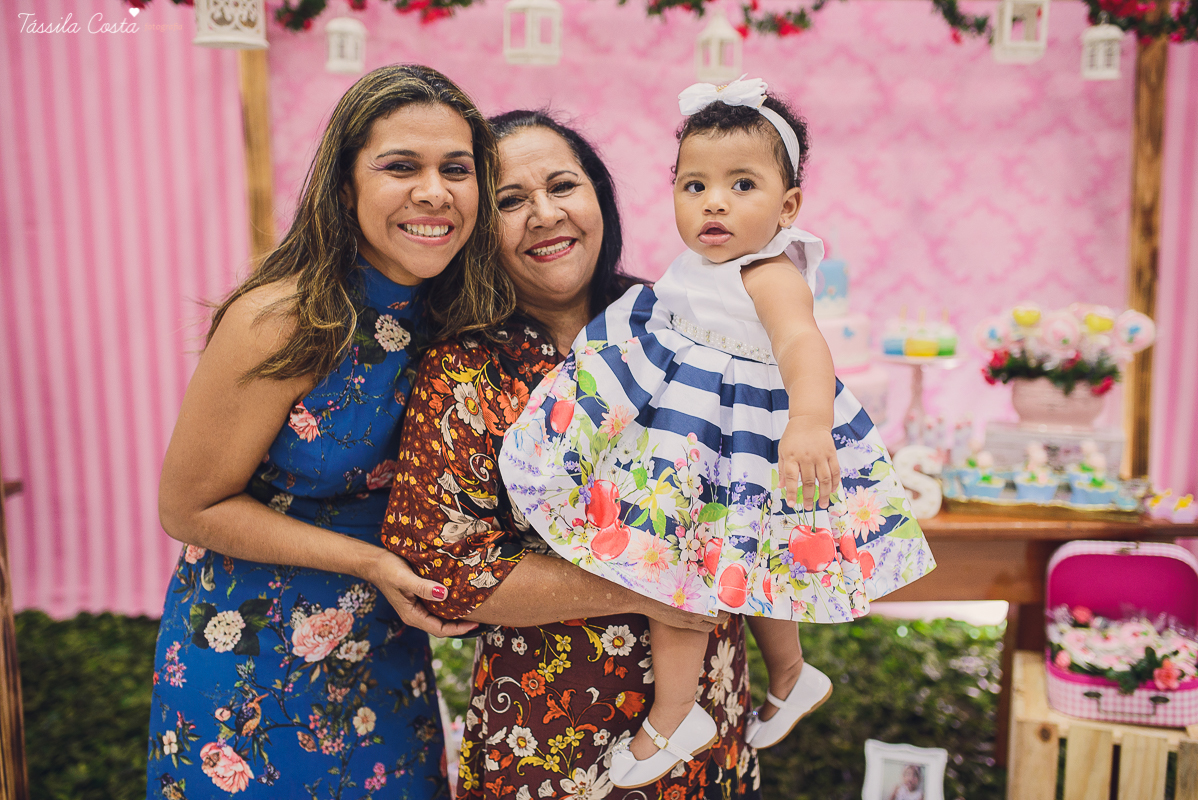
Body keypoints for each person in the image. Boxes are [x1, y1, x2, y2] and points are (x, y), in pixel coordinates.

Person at [498, 77, 937, 787]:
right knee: (748, 572)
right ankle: (790, 676)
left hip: (737, 445)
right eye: (694, 185)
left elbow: (802, 344)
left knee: (683, 577)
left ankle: (673, 718)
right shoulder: (701, 269)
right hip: (704, 441)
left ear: (788, 207)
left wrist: (809, 423)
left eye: (741, 184)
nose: (715, 202)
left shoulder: (769, 270)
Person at [382, 111, 762, 799]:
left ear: (600, 200)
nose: (545, 214)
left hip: (712, 717)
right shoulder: (466, 369)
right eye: (510, 201)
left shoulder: (681, 320)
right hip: (551, 739)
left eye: (563, 185)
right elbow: (445, 564)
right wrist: (652, 584)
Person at [148, 64, 495, 800]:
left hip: (384, 651)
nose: (435, 192)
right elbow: (189, 507)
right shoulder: (281, 319)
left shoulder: (458, 317)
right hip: (251, 656)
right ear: (345, 187)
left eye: (456, 170)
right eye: (402, 166)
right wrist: (369, 563)